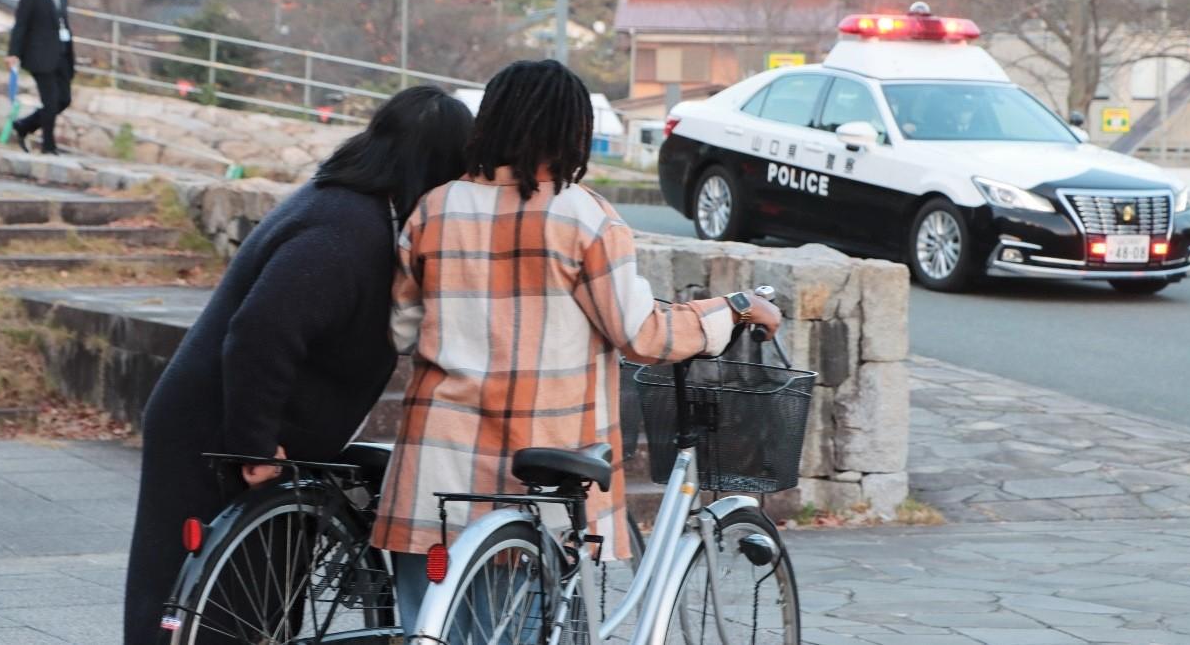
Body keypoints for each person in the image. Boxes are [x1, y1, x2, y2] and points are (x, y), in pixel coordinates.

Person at [373, 59, 781, 635]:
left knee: (427, 628)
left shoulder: (432, 211)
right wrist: (730, 310)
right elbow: (641, 335)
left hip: (434, 469)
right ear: (571, 132)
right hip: (538, 474)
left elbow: (400, 331)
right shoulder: (585, 218)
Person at [122, 86, 474, 645]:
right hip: (218, 426)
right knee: (200, 606)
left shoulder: (349, 208)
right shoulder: (344, 228)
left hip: (250, 424)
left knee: (253, 608)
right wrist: (253, 445)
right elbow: (260, 332)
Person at [6, 0, 75, 155]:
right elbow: (21, 25)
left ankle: (25, 125)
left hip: (62, 56)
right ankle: (48, 146)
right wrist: (13, 53)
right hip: (39, 56)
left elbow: (64, 27)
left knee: (64, 99)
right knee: (51, 100)